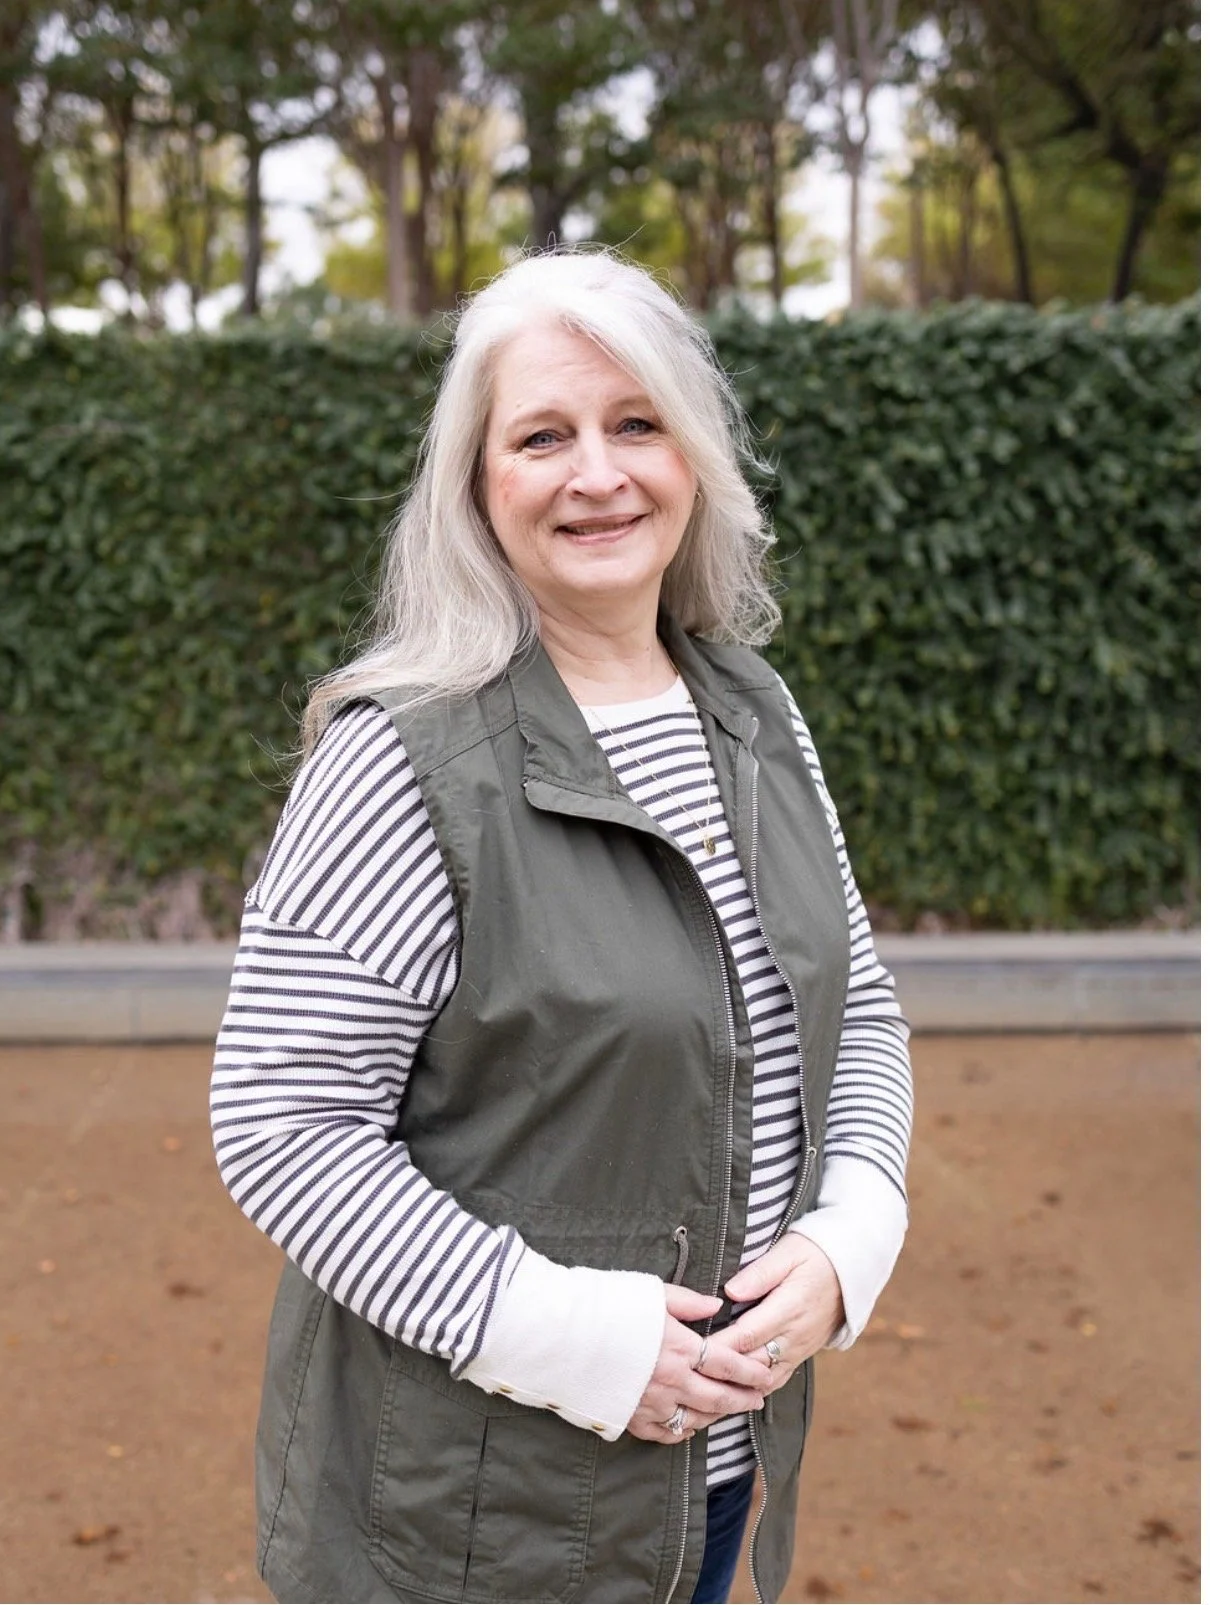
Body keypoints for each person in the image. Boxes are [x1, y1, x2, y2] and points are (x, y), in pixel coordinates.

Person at [210, 248, 912, 1605]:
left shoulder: (754, 713)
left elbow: (860, 1004)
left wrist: (851, 1235)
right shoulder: (401, 759)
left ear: (693, 455)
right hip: (472, 1521)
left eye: (635, 423)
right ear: (477, 487)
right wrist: (574, 1340)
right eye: (542, 437)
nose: (598, 474)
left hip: (708, 1484)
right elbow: (282, 1125)